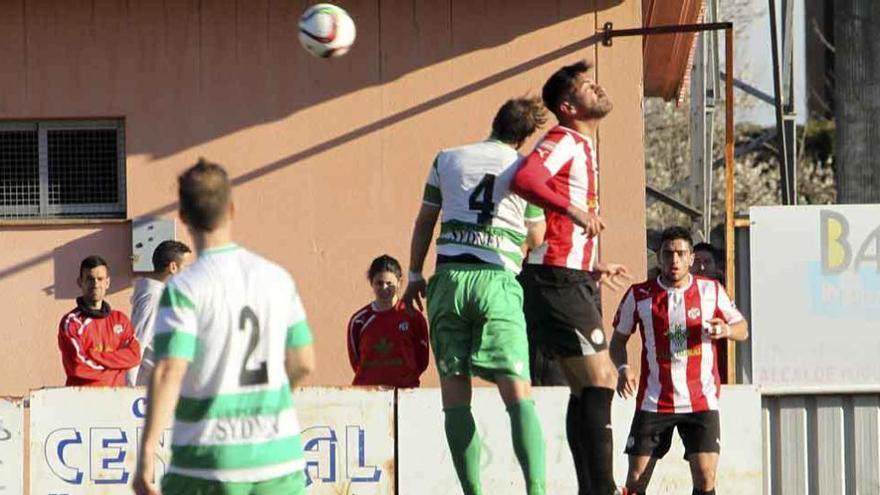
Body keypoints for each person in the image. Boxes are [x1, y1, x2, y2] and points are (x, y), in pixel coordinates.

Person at [133, 159, 316, 495]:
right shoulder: (277, 278)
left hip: (207, 463)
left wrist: (146, 455)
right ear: (232, 209)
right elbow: (304, 361)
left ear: (183, 217)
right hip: (279, 461)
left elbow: (170, 369)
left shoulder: (184, 288)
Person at [403, 97, 548, 495]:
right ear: (524, 136)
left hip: (448, 278)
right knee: (517, 392)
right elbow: (536, 238)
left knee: (454, 392)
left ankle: (473, 491)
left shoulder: (446, 159)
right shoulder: (525, 169)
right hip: (495, 280)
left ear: (494, 121)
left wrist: (414, 273)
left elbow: (425, 221)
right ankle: (536, 489)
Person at [510, 60, 631, 495]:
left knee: (585, 388)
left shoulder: (581, 143)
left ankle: (591, 488)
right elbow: (524, 177)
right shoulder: (563, 139)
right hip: (556, 281)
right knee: (601, 380)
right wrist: (574, 210)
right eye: (585, 86)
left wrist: (593, 264)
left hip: (567, 275)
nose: (596, 87)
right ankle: (602, 488)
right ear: (567, 106)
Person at [609, 226, 749, 495]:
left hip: (700, 400)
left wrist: (726, 330)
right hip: (654, 400)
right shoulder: (639, 295)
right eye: (668, 253)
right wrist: (624, 368)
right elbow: (617, 341)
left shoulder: (712, 291)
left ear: (691, 258)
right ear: (659, 257)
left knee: (706, 479)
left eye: (680, 253)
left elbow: (743, 328)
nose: (674, 260)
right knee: (636, 481)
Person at [347, 254, 429, 387]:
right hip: (368, 395)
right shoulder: (359, 321)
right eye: (379, 283)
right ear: (371, 283)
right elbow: (355, 360)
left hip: (405, 394)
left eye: (389, 283)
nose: (384, 288)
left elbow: (422, 360)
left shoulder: (413, 317)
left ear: (399, 282)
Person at [58, 255, 141, 387]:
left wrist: (95, 355)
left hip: (115, 399)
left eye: (100, 279)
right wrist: (117, 367)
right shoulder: (71, 322)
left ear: (107, 283)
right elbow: (78, 367)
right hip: (82, 400)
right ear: (80, 282)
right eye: (90, 279)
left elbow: (135, 356)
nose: (96, 284)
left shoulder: (121, 320)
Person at [126, 240, 192, 386]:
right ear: (173, 267)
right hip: (153, 387)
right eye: (187, 268)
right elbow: (137, 343)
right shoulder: (154, 298)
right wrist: (130, 388)